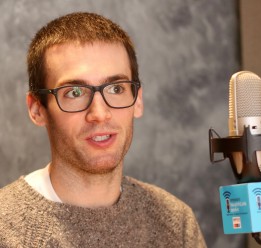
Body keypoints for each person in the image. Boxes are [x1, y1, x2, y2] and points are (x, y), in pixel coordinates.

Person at [0, 12, 207, 247]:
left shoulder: (176, 223)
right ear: (37, 109)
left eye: (116, 89)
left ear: (138, 100)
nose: (99, 114)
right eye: (75, 93)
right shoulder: (5, 229)